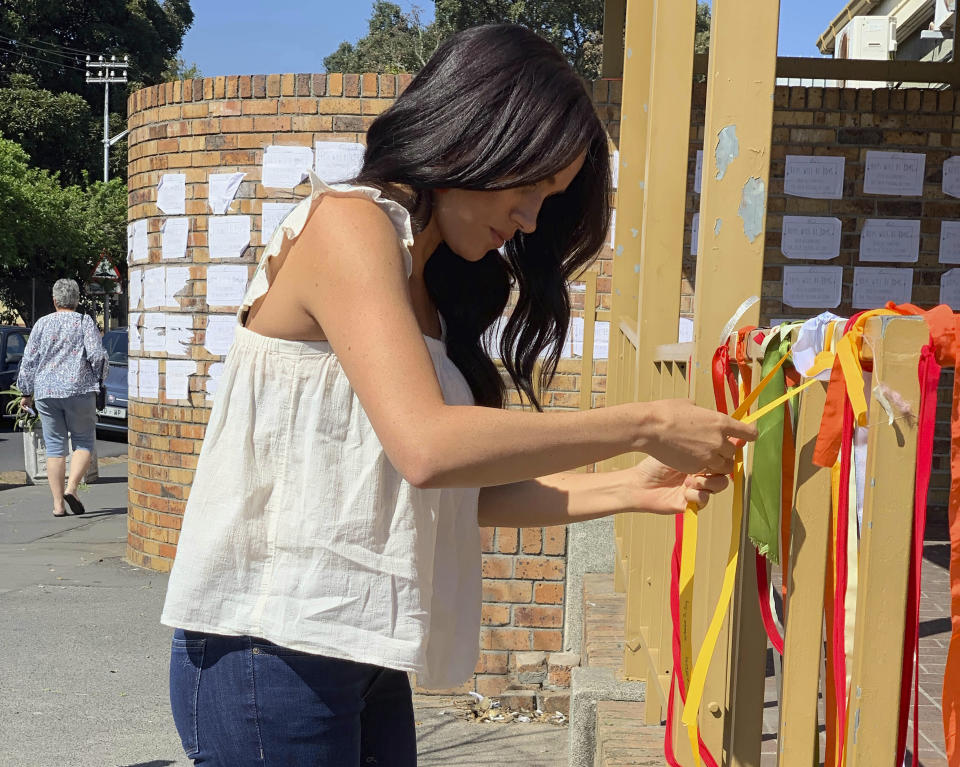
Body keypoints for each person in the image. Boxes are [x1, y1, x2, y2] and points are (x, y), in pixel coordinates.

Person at [161, 24, 756, 766]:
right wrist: (645, 422)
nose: (532, 220)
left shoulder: (434, 291)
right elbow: (429, 448)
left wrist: (635, 489)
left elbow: (466, 492)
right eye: (531, 185)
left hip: (358, 646)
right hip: (272, 644)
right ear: (473, 137)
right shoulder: (349, 225)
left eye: (553, 196)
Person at [17, 278, 108, 517]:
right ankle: (72, 488)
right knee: (84, 441)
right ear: (77, 300)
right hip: (79, 390)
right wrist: (100, 377)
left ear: (55, 300)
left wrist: (26, 392)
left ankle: (58, 505)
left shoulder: (41, 324)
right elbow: (97, 355)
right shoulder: (83, 322)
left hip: (46, 392)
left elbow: (29, 361)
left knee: (55, 447)